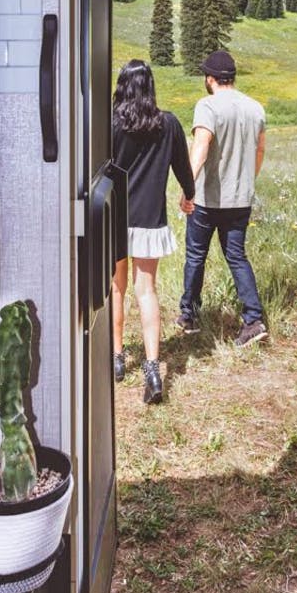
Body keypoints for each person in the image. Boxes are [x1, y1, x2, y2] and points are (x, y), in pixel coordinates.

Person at [112, 60, 195, 404]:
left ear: (123, 86)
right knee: (146, 290)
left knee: (115, 286)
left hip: (115, 215)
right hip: (149, 218)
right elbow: (183, 168)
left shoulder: (113, 123)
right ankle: (152, 368)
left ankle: (117, 358)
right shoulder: (169, 124)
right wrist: (189, 197)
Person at [176, 50, 269, 347]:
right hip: (240, 199)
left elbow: (201, 148)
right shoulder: (256, 108)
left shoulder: (208, 105)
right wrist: (245, 182)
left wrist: (187, 189)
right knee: (237, 257)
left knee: (195, 256)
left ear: (210, 79)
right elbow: (259, 151)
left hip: (207, 199)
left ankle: (188, 316)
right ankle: (253, 319)